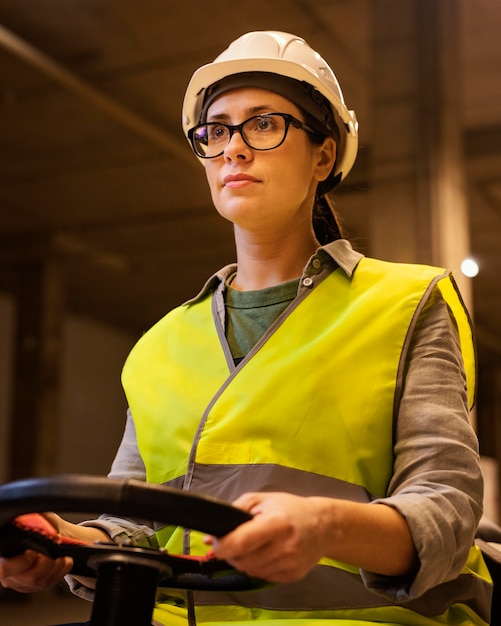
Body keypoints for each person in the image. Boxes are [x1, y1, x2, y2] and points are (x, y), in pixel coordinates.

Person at [0, 30, 493, 626]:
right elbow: (140, 527)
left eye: (263, 125)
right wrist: (66, 542)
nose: (233, 148)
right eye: (216, 130)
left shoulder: (406, 302)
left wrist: (324, 525)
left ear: (323, 156)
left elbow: (446, 509)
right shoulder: (160, 345)